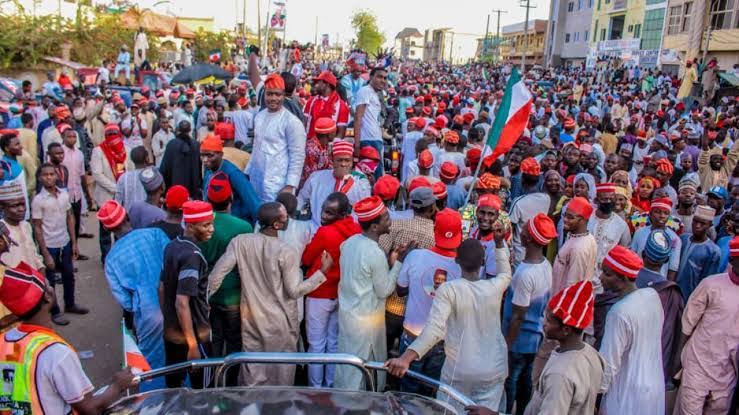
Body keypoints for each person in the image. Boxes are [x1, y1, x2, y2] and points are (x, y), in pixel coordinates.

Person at [386, 232, 511, 413]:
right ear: (483, 263)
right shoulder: (494, 287)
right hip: (493, 370)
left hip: (460, 370)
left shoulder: (449, 290)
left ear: (457, 261)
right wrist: (499, 244)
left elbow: (434, 330)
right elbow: (506, 274)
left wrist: (406, 359)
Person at [208, 202, 328, 386]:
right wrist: (321, 273)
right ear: (276, 225)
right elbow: (294, 291)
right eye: (283, 216)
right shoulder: (286, 251)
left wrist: (205, 301)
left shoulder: (240, 242)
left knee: (252, 375)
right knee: (281, 377)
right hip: (282, 323)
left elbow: (217, 274)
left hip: (252, 320)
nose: (287, 217)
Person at [0, 264, 137, 414]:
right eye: (48, 285)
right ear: (47, 297)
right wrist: (118, 386)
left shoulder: (3, 340)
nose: (51, 287)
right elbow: (89, 408)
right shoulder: (55, 352)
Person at [334, 196, 409, 391]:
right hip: (365, 324)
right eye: (385, 218)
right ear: (375, 227)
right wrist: (399, 262)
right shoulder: (374, 253)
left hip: (349, 316)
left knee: (347, 367)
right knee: (358, 374)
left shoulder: (349, 243)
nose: (389, 220)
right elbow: (384, 290)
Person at [98, 200, 170, 391]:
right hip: (174, 307)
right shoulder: (155, 234)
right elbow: (172, 262)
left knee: (150, 368)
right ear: (127, 217)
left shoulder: (112, 258)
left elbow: (125, 302)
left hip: (147, 315)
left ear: (108, 229)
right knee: (179, 357)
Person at [394, 208, 463, 396]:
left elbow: (400, 290)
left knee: (408, 391)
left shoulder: (416, 256)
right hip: (443, 338)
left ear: (434, 230)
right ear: (460, 234)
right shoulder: (463, 266)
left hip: (412, 335)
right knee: (431, 394)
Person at [301, 192, 361, 388]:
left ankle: (316, 389)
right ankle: (331, 386)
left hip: (319, 293)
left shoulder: (325, 232)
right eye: (324, 211)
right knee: (334, 343)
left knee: (316, 345)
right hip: (341, 294)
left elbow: (307, 258)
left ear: (342, 214)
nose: (324, 216)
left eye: (329, 213)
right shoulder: (356, 230)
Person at [674, 236, 739, 415]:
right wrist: (677, 363)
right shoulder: (711, 285)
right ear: (732, 260)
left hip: (727, 376)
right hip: (698, 366)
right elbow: (687, 325)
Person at [198, 173, 253, 386]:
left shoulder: (201, 225)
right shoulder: (243, 227)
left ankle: (212, 386)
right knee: (234, 345)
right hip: (234, 297)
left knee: (214, 343)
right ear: (231, 200)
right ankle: (230, 386)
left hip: (208, 297)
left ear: (208, 200)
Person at [598, 245, 665, 415]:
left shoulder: (619, 312)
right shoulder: (652, 296)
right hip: (653, 388)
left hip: (626, 395)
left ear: (624, 278)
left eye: (607, 274)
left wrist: (595, 396)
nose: (601, 278)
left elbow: (608, 364)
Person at [521, 280, 604, 415]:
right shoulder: (592, 355)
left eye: (548, 319)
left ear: (565, 329)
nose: (544, 323)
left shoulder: (559, 375)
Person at [503, 213, 557, 415]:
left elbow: (518, 315)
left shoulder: (525, 275)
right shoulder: (545, 265)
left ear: (527, 239)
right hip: (534, 338)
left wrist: (507, 344)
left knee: (510, 382)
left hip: (519, 340)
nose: (520, 231)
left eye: (524, 230)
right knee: (525, 380)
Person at [159, 200, 214, 388]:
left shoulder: (172, 246)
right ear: (190, 226)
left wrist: (169, 319)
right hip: (195, 336)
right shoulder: (193, 256)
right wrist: (192, 346)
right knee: (204, 393)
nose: (212, 229)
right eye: (206, 225)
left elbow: (162, 288)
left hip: (173, 332)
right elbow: (182, 302)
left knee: (173, 388)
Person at [32, 163, 87, 325]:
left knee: (69, 275)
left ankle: (70, 304)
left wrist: (74, 242)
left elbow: (70, 217)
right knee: (50, 281)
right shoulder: (38, 200)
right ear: (40, 178)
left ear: (57, 176)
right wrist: (45, 253)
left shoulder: (63, 194)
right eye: (45, 175)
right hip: (49, 245)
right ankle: (54, 311)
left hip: (65, 242)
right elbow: (37, 227)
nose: (49, 177)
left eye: (51, 174)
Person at [246, 74, 307, 203]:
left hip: (278, 186)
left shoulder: (292, 122)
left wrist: (290, 186)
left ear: (284, 95)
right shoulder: (259, 117)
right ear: (264, 95)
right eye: (269, 94)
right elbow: (256, 148)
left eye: (277, 94)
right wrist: (248, 172)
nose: (273, 98)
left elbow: (298, 156)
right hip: (256, 181)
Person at [298, 140, 370, 227]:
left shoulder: (360, 182)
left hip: (347, 234)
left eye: (347, 160)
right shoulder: (316, 178)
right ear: (332, 160)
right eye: (339, 160)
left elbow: (365, 209)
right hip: (316, 230)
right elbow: (301, 199)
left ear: (351, 162)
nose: (343, 164)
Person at [91, 124, 133, 262]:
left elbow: (130, 170)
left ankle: (120, 256)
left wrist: (124, 188)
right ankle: (107, 258)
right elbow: (97, 174)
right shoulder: (98, 151)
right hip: (106, 196)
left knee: (121, 227)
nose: (112, 137)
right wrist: (115, 188)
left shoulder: (126, 149)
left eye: (115, 133)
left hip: (123, 196)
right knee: (105, 230)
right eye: (110, 134)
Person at [200, 134, 259, 223]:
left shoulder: (233, 173)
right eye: (202, 155)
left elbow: (252, 201)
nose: (204, 160)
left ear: (221, 154)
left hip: (235, 221)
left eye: (210, 156)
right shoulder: (208, 170)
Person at [588, 182, 631, 293]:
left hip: (602, 284)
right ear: (596, 200)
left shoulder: (621, 225)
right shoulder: (586, 217)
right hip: (581, 276)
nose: (608, 202)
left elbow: (624, 253)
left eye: (611, 199)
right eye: (604, 199)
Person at [509, 158, 551, 266]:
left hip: (519, 254)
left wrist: (509, 250)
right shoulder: (546, 199)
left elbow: (509, 228)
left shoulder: (518, 202)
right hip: (537, 253)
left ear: (522, 179)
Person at [630, 197, 682, 280]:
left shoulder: (674, 239)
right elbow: (632, 258)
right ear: (650, 214)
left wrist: (665, 288)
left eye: (666, 213)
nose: (662, 216)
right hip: (638, 279)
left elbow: (673, 268)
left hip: (659, 282)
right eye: (657, 212)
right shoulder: (639, 232)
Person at [677, 205, 721, 299]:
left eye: (702, 223)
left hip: (691, 297)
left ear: (710, 225)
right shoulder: (682, 239)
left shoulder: (713, 251)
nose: (697, 226)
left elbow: (708, 281)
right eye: (695, 221)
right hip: (673, 291)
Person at [353, 67, 388, 177]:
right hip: (368, 140)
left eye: (385, 78)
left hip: (375, 139)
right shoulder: (365, 91)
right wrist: (357, 145)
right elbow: (358, 118)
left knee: (378, 178)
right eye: (379, 77)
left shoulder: (375, 94)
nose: (383, 80)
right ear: (371, 77)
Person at [160, 120, 202, 199]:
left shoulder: (172, 144)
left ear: (178, 129)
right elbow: (200, 169)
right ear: (190, 130)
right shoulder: (196, 145)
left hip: (175, 190)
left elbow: (164, 168)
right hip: (192, 192)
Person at [304, 70, 349, 139]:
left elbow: (341, 133)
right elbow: (304, 123)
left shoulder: (341, 106)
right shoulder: (311, 101)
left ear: (327, 84)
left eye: (319, 82)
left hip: (330, 146)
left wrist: (329, 147)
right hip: (310, 144)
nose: (316, 85)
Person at [114, 146, 148, 211]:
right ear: (146, 158)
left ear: (132, 159)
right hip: (149, 215)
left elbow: (118, 200)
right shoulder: (152, 174)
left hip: (129, 215)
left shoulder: (123, 177)